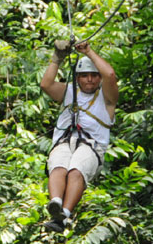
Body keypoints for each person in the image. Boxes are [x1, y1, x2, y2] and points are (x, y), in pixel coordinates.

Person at [39, 39, 118, 231]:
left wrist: (88, 52)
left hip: (91, 146)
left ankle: (65, 213)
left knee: (76, 170)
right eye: (84, 76)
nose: (89, 79)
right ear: (77, 78)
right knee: (58, 165)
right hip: (65, 140)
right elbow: (46, 84)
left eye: (93, 76)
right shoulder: (69, 92)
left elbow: (110, 74)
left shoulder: (107, 99)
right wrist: (57, 58)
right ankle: (56, 205)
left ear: (98, 79)